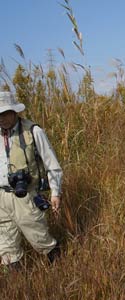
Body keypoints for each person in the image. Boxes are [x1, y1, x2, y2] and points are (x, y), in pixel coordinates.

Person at [0, 91, 63, 271]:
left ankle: (58, 271)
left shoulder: (33, 131)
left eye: (4, 113)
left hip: (26, 196)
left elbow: (52, 164)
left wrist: (55, 192)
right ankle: (16, 286)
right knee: (6, 248)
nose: (1, 119)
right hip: (1, 198)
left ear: (14, 112)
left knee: (40, 238)